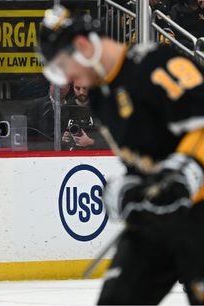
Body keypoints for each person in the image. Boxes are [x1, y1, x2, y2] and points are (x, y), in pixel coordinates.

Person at [38, 5, 204, 304]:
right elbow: (139, 161)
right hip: (158, 218)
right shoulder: (103, 97)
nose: (67, 77)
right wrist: (128, 190)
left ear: (83, 47)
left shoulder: (157, 64)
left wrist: (184, 173)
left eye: (63, 66)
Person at [61, 81, 108, 151]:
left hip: (97, 155)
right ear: (72, 88)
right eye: (77, 88)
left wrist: (91, 142)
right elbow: (50, 139)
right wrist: (62, 139)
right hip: (71, 155)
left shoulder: (101, 108)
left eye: (85, 88)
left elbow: (112, 140)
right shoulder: (65, 109)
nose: (81, 92)